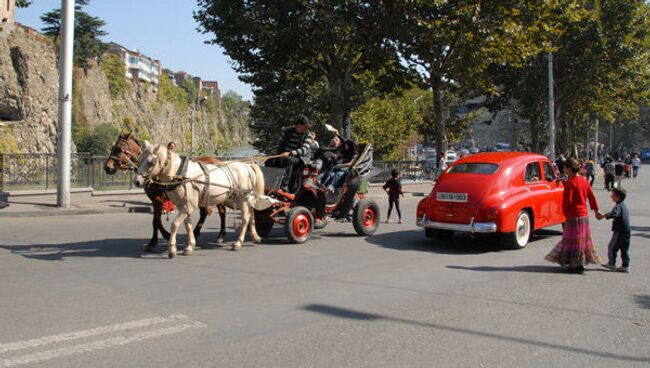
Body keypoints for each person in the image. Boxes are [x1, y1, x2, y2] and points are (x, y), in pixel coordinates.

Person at [544, 159, 602, 273]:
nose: (564, 170)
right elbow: (592, 197)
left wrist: (565, 214)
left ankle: (574, 264)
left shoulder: (570, 183)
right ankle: (579, 263)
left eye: (565, 168)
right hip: (584, 216)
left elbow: (567, 201)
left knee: (572, 240)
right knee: (581, 241)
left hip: (573, 216)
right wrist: (596, 211)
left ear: (569, 169)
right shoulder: (584, 181)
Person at [266, 116, 314, 192]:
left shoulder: (308, 135)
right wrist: (276, 150)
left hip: (300, 157)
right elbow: (279, 143)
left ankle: (284, 185)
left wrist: (290, 153)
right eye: (304, 126)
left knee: (287, 160)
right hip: (284, 155)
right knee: (270, 160)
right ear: (298, 125)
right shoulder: (287, 131)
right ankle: (269, 182)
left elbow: (303, 150)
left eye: (306, 127)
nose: (306, 128)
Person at [597, 188, 631, 273]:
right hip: (626, 231)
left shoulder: (618, 206)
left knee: (612, 247)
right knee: (624, 248)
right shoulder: (623, 205)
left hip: (619, 231)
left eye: (613, 194)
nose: (611, 196)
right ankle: (625, 266)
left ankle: (611, 264)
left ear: (618, 197)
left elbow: (615, 214)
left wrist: (604, 215)